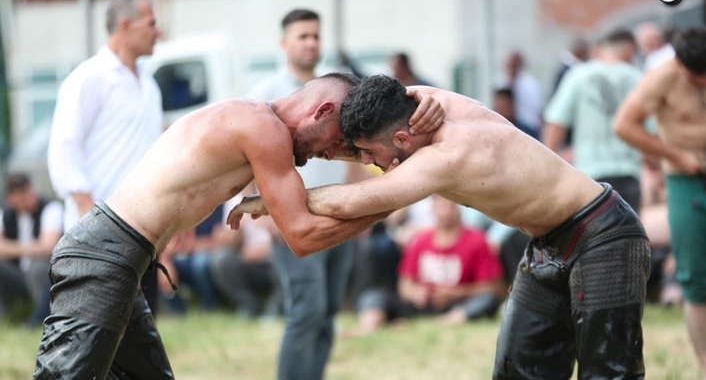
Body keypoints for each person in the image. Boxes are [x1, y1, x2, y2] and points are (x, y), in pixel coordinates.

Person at [231, 75, 651, 379]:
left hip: (602, 234)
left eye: (368, 154)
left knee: (609, 373)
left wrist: (266, 200)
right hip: (549, 242)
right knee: (519, 370)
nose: (364, 163)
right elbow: (382, 97)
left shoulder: (448, 155)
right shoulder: (420, 103)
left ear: (401, 140)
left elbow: (355, 200)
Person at [32, 71, 442, 380]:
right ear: (322, 111)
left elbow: (362, 151)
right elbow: (301, 236)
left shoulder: (259, 122)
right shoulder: (263, 131)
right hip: (104, 253)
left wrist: (420, 110)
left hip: (123, 257)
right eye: (335, 142)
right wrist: (395, 197)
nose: (331, 154)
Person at [248, 8, 358, 380]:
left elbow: (353, 153)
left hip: (341, 214)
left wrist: (363, 202)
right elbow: (248, 164)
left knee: (327, 312)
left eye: (315, 35)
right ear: (284, 43)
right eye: (302, 36)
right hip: (293, 219)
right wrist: (266, 218)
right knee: (306, 310)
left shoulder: (338, 91)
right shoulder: (266, 96)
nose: (311, 43)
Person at [47, 0, 164, 314]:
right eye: (152, 23)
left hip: (143, 230)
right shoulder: (89, 78)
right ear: (126, 25)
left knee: (141, 332)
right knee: (97, 334)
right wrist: (88, 212)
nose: (159, 31)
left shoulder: (149, 86)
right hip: (98, 232)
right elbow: (63, 148)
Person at [613, 26, 706, 378]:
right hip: (686, 179)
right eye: (697, 76)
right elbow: (624, 124)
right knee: (695, 276)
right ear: (680, 66)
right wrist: (674, 155)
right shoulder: (661, 78)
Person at [355, 195, 504, 334]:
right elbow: (404, 286)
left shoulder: (477, 240)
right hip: (421, 305)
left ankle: (447, 321)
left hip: (458, 305)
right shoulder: (420, 240)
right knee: (373, 295)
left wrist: (456, 293)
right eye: (441, 204)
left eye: (450, 204)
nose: (446, 209)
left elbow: (494, 288)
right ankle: (367, 328)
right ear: (432, 208)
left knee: (487, 300)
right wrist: (415, 293)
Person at [543, 28, 644, 212]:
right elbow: (652, 130)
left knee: (595, 238)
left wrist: (548, 167)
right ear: (629, 50)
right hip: (629, 172)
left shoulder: (578, 75)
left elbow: (556, 123)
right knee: (630, 238)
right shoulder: (638, 78)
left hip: (591, 176)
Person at [0, 173, 63, 326]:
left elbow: (48, 247)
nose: (29, 199)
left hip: (44, 274)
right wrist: (34, 246)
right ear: (11, 199)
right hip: (17, 275)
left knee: (38, 268)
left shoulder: (51, 209)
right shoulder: (6, 215)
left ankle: (39, 318)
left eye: (28, 193)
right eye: (21, 197)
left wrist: (10, 247)